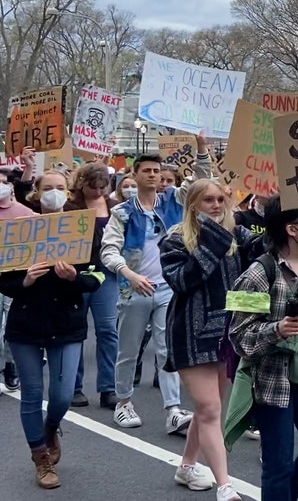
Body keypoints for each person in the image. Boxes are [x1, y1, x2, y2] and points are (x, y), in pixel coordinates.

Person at [228, 196, 298, 501]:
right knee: (278, 464)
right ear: (291, 228)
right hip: (272, 381)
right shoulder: (256, 273)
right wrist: (275, 330)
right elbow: (237, 336)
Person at [0, 179, 104, 489]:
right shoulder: (18, 228)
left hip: (66, 322)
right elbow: (3, 280)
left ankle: (51, 427)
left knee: (60, 396)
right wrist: (25, 282)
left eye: (59, 186)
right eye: (48, 187)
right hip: (26, 323)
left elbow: (97, 274)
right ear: (37, 192)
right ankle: (40, 458)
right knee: (32, 393)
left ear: (67, 191)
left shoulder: (83, 227)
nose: (53, 192)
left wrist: (74, 278)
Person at [161, 179, 252, 500]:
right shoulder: (174, 240)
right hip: (190, 334)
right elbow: (183, 281)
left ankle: (186, 465)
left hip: (226, 334)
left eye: (220, 199)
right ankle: (225, 485)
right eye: (208, 200)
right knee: (211, 409)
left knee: (207, 409)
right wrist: (214, 238)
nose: (216, 205)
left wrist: (265, 311)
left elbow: (245, 289)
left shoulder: (238, 236)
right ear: (193, 205)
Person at [101, 149, 202, 436]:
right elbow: (108, 250)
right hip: (133, 290)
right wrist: (129, 275)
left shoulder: (173, 201)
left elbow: (203, 182)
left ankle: (173, 409)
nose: (153, 175)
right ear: (134, 175)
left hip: (168, 288)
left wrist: (202, 150)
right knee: (129, 350)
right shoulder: (122, 212)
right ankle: (124, 402)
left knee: (167, 349)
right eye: (146, 171)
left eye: (157, 171)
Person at [64, 162, 121, 409]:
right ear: (81, 184)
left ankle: (108, 387)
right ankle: (74, 387)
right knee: (76, 330)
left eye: (102, 187)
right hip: (77, 273)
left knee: (108, 330)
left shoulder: (115, 208)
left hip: (106, 273)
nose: (98, 192)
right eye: (92, 187)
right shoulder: (70, 207)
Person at [0, 162, 38, 393]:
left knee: (11, 324)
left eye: (5, 183)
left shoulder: (25, 213)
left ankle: (10, 366)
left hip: (15, 277)